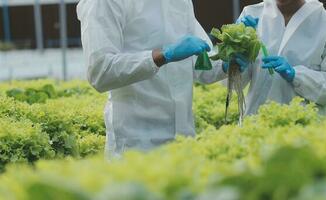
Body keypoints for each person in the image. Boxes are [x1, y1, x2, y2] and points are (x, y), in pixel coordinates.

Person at [77, 0, 230, 159]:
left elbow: (201, 63)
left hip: (184, 142)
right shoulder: (104, 3)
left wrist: (226, 64)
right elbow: (100, 71)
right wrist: (162, 56)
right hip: (136, 146)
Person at [232, 0, 326, 116]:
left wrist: (297, 76)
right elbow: (233, 83)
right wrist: (235, 55)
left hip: (304, 127)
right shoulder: (251, 14)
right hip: (257, 125)